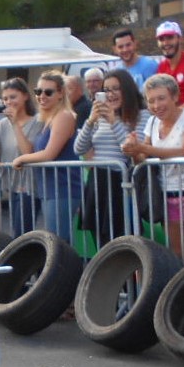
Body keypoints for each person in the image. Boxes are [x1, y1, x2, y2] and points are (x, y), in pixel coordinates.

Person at [123, 73, 184, 336]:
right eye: (151, 100)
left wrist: (143, 149)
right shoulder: (151, 122)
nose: (156, 105)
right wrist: (132, 148)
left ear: (175, 97)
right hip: (168, 195)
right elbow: (143, 158)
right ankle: (182, 313)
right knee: (178, 258)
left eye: (161, 98)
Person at [74, 69, 147, 245]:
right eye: (106, 90)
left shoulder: (141, 115)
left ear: (127, 90)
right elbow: (79, 148)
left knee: (123, 240)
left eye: (116, 89)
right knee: (101, 239)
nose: (111, 94)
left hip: (120, 183)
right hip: (97, 181)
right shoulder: (100, 118)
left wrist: (114, 122)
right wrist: (91, 121)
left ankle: (127, 273)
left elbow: (131, 150)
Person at [12, 72, 81, 243]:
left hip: (63, 188)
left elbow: (49, 154)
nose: (41, 96)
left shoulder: (64, 116)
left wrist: (21, 160)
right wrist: (14, 123)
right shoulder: (48, 119)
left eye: (48, 92)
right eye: (38, 91)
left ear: (60, 94)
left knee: (57, 242)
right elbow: (29, 150)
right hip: (50, 189)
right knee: (58, 241)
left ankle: (66, 270)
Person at [0, 78, 42, 237]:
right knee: (16, 232)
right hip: (11, 185)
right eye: (5, 98)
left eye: (13, 97)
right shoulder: (3, 124)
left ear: (25, 96)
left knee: (21, 232)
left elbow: (28, 151)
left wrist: (15, 123)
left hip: (29, 186)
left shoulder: (37, 121)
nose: (9, 102)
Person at [155, 21, 184, 104]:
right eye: (161, 39)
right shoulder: (161, 66)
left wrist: (172, 115)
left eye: (170, 37)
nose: (165, 43)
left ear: (180, 39)